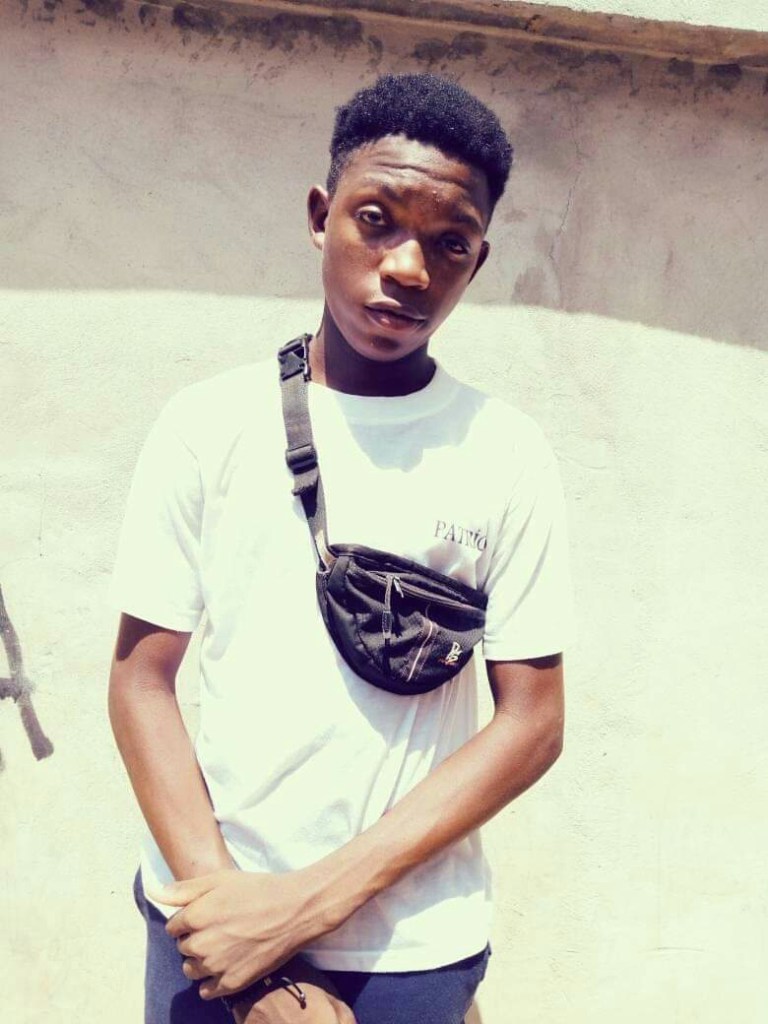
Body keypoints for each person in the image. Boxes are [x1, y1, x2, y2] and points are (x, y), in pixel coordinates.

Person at [109, 72, 573, 1024]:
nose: (409, 267)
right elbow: (140, 682)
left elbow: (532, 723)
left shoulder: (505, 450)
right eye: (376, 220)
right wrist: (243, 956)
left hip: (410, 952)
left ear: (478, 262)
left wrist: (300, 912)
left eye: (449, 243)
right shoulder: (206, 425)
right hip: (208, 927)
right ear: (321, 217)